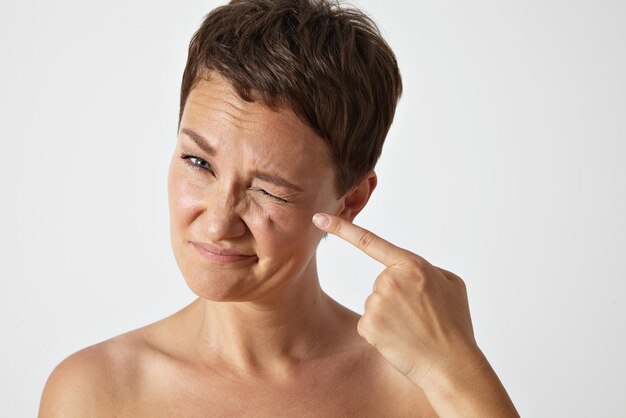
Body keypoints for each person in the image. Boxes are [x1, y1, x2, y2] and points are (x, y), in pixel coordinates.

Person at [39, 0, 519, 416]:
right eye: (197, 161)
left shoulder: (422, 387)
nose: (219, 220)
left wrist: (458, 371)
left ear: (352, 199)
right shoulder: (96, 392)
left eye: (269, 190)